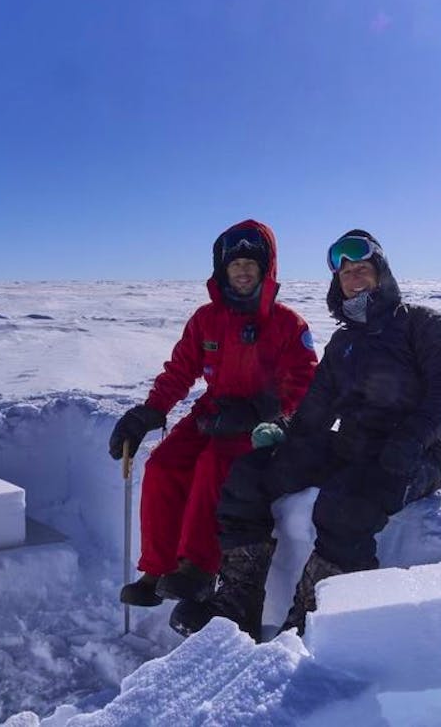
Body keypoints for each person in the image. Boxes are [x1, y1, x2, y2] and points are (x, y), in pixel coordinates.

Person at [195, 229, 441, 642]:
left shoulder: (425, 326)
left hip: (418, 452)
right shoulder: (343, 344)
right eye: (346, 274)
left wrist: (409, 440)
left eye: (363, 269)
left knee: (344, 507)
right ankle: (237, 599)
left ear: (382, 273)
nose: (355, 278)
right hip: (354, 444)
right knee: (250, 474)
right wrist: (282, 431)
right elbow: (316, 411)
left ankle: (313, 620)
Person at [108, 219, 317, 626]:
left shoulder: (288, 323)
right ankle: (157, 569)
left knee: (214, 466)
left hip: (260, 421)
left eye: (250, 264)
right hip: (213, 410)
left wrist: (258, 411)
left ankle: (199, 570)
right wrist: (148, 412)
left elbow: (303, 383)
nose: (241, 271)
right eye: (234, 264)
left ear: (266, 269)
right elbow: (179, 371)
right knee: (164, 463)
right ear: (222, 270)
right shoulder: (205, 319)